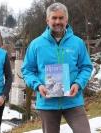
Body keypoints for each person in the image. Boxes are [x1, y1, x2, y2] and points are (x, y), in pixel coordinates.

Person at [21, 2, 92, 133]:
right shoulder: (36, 44)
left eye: (61, 18)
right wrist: (38, 85)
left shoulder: (78, 43)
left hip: (73, 100)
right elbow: (27, 70)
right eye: (54, 18)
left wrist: (78, 83)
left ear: (66, 19)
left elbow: (86, 67)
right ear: (47, 20)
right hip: (47, 103)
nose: (57, 21)